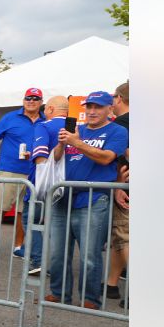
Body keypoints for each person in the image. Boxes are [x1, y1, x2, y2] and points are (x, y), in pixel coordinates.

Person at [46, 90, 128, 309]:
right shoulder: (76, 129)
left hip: (94, 199)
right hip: (63, 198)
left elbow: (106, 158)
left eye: (98, 107)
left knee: (90, 255)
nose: (92, 111)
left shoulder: (118, 131)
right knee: (57, 253)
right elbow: (56, 158)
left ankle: (90, 299)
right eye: (89, 107)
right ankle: (59, 293)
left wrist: (77, 142)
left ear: (110, 108)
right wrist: (63, 144)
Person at [0, 88, 44, 259]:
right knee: (0, 208)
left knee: (23, 212)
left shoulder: (45, 120)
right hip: (9, 170)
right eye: (28, 98)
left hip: (34, 172)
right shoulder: (10, 117)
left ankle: (18, 246)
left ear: (41, 102)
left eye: (35, 98)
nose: (31, 101)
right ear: (23, 100)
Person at [27, 96, 71, 276]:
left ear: (51, 109)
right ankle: (58, 266)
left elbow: (41, 159)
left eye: (46, 109)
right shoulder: (77, 128)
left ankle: (38, 261)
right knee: (59, 227)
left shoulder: (43, 125)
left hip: (47, 185)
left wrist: (40, 189)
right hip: (70, 183)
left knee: (31, 220)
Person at [105, 82, 129, 305]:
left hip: (126, 186)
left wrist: (120, 183)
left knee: (125, 236)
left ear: (119, 98)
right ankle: (112, 284)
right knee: (119, 237)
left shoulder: (121, 124)